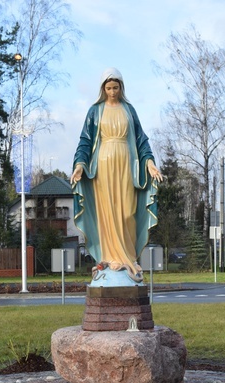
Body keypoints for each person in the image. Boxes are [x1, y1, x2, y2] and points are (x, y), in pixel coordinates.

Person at [70, 67, 163, 285]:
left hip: (127, 164)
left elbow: (141, 140)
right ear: (103, 89)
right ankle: (109, 257)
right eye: (109, 88)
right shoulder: (96, 111)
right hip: (103, 166)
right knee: (108, 212)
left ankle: (128, 257)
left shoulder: (129, 110)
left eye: (116, 87)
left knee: (127, 211)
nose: (112, 92)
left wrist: (150, 163)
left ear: (122, 87)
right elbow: (85, 140)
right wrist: (80, 165)